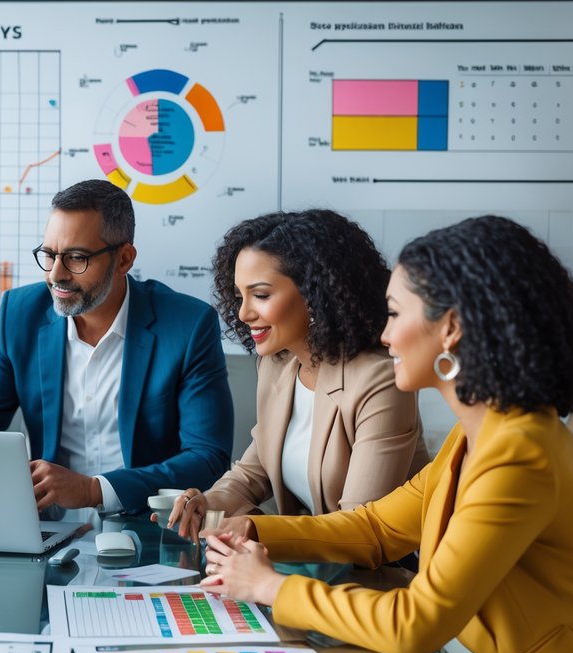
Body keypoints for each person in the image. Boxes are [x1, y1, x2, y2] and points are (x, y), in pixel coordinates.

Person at [201, 215, 573, 653]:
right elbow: (378, 527)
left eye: (394, 314)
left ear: (450, 328)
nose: (384, 335)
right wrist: (256, 527)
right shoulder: (478, 435)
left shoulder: (518, 455)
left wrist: (270, 586)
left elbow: (416, 625)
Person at [0, 179, 233, 514]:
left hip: (147, 523)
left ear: (124, 259)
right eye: (49, 255)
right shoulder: (19, 314)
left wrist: (93, 490)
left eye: (76, 258)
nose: (56, 274)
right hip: (44, 523)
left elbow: (208, 457)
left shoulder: (188, 325)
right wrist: (12, 479)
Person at [161, 210, 428, 541]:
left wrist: (257, 528)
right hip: (314, 559)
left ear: (315, 294)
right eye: (240, 296)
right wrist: (205, 503)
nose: (243, 313)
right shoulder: (278, 364)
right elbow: (253, 473)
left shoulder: (380, 380)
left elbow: (359, 527)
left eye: (261, 295)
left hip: (382, 565)